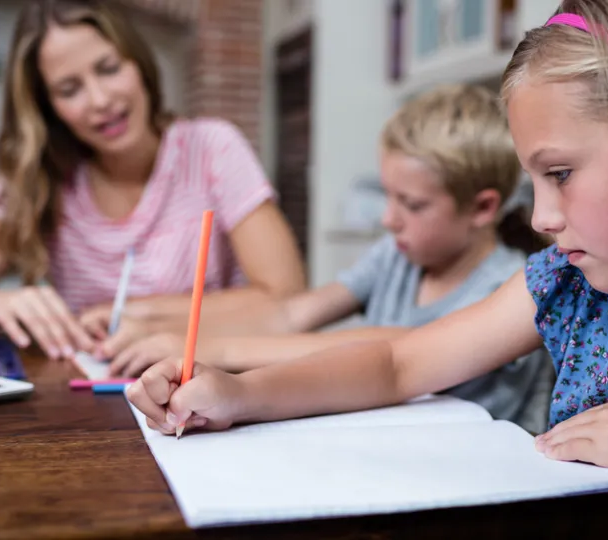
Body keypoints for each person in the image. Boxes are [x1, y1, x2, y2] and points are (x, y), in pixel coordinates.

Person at [127, 1, 608, 538]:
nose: (544, 218)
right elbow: (399, 363)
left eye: (560, 174)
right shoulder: (565, 284)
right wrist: (241, 395)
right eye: (535, 181)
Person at [103, 84, 553, 433]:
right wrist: (178, 336)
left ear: (482, 208)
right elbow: (294, 314)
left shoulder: (504, 290)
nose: (388, 218)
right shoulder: (395, 257)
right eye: (388, 196)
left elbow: (388, 353)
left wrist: (216, 350)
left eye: (412, 205)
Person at [0, 0, 305, 360]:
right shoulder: (35, 179)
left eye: (109, 68)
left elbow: (285, 295)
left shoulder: (211, 148)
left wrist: (136, 315)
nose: (100, 99)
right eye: (69, 89)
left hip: (209, 388)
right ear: (47, 108)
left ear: (138, 63)